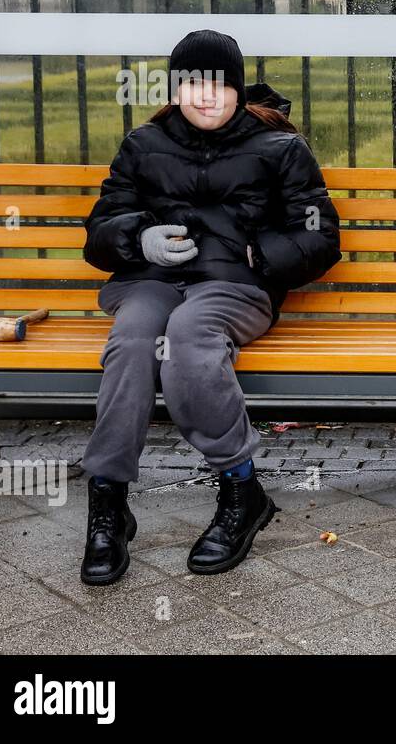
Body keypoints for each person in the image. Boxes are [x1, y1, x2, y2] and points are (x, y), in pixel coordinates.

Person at [79, 30, 341, 585]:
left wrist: (261, 254)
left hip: (234, 288)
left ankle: (240, 491)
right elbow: (100, 230)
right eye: (193, 82)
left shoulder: (281, 148)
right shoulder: (142, 144)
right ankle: (108, 504)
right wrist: (138, 238)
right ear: (175, 89)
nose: (206, 95)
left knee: (191, 337)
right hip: (151, 281)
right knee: (131, 343)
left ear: (237, 89)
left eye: (219, 84)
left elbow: (320, 235)